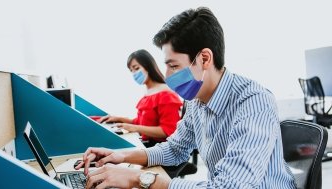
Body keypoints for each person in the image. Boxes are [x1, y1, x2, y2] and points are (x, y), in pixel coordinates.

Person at [76, 7, 297, 189]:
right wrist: (119, 156)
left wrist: (138, 179)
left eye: (174, 66)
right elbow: (175, 149)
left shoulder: (253, 102)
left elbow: (231, 187)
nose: (167, 75)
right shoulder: (197, 101)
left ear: (204, 58)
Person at [98, 49, 182, 146]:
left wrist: (134, 128)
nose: (134, 73)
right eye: (131, 70)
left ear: (148, 67)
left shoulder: (166, 94)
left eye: (136, 68)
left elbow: (169, 130)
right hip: (149, 145)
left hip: (162, 150)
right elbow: (143, 122)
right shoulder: (149, 92)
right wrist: (119, 119)